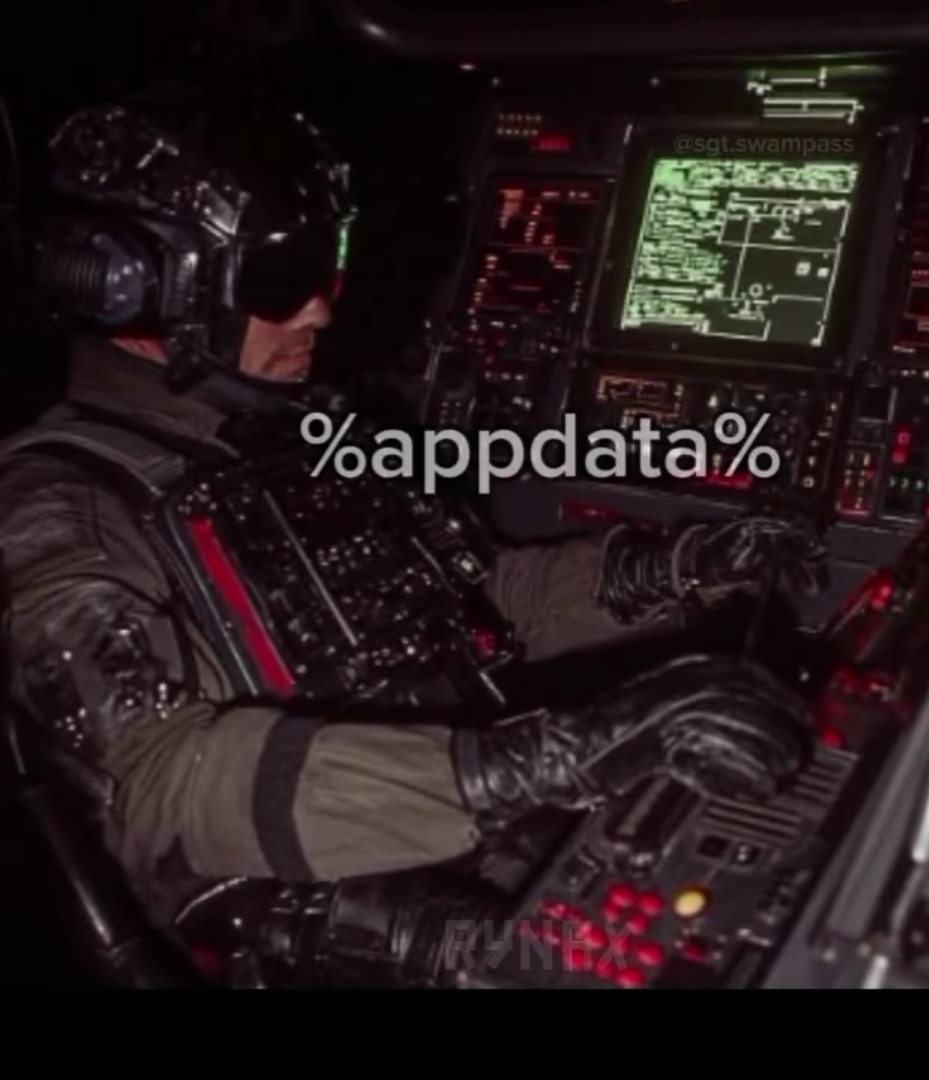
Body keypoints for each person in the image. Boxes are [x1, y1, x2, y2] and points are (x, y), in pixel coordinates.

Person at [0, 89, 825, 986]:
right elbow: (162, 784)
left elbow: (479, 610)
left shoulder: (291, 434)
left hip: (480, 825)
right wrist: (548, 759)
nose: (319, 312)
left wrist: (680, 567)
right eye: (280, 280)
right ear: (131, 288)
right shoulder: (59, 506)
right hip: (351, 918)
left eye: (327, 268)